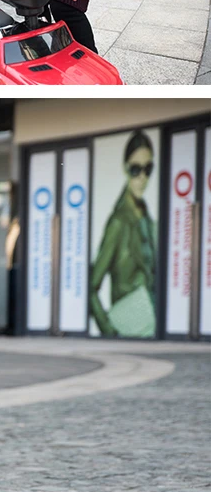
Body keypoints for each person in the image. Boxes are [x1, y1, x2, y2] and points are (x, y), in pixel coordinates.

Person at [90, 131, 158, 338]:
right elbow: (92, 287)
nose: (143, 178)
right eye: (136, 169)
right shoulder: (118, 222)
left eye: (148, 169)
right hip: (130, 327)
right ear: (125, 169)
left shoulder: (148, 219)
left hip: (152, 327)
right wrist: (109, 331)